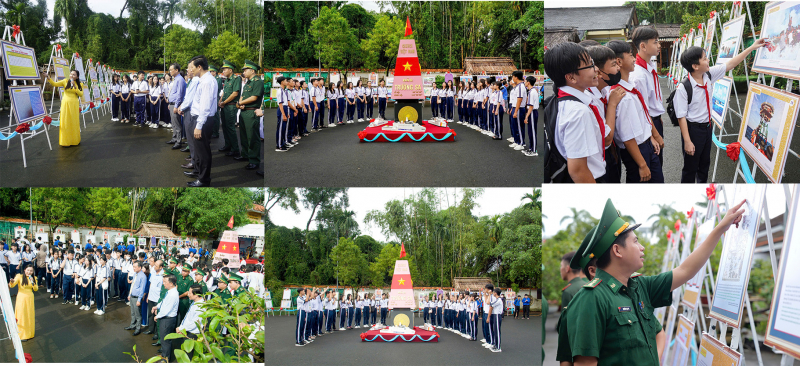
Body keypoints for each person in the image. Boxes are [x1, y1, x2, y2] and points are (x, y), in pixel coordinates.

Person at [563, 198, 745, 365]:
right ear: (618, 251)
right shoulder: (591, 298)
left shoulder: (639, 287)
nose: (641, 247)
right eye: (635, 242)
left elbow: (685, 270)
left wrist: (721, 227)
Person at [675, 40, 766, 183]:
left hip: (707, 128)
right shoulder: (683, 88)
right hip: (693, 130)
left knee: (704, 166)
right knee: (690, 168)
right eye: (704, 58)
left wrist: (752, 47)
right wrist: (687, 141)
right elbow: (681, 116)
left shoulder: (709, 75)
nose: (708, 60)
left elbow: (731, 64)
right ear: (695, 66)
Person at [543, 42, 606, 183]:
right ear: (571, 77)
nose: (596, 69)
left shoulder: (560, 100)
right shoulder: (578, 112)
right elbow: (578, 170)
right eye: (590, 65)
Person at [606, 40, 664, 183]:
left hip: (646, 145)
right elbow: (627, 137)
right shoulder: (621, 95)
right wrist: (642, 164)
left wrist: (651, 136)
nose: (634, 59)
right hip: (637, 152)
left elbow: (641, 117)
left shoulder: (630, 86)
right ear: (619, 61)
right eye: (631, 55)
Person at [184, 55, 219, 187]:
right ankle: (198, 172)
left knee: (203, 152)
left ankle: (204, 180)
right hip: (198, 119)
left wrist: (198, 125)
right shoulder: (203, 80)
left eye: (192, 67)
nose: (190, 70)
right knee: (199, 150)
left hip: (202, 120)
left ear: (199, 67)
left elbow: (205, 106)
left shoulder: (207, 82)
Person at [236, 60, 264, 171]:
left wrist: (240, 103)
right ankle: (245, 155)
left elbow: (254, 97)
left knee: (252, 137)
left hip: (251, 112)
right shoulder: (248, 82)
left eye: (245, 70)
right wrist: (239, 104)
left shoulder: (257, 82)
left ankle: (254, 160)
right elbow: (242, 96)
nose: (244, 71)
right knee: (243, 135)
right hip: (244, 111)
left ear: (252, 71)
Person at [46, 70, 84, 146]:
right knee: (65, 121)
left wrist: (75, 86)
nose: (72, 75)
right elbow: (55, 84)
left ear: (77, 77)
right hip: (66, 103)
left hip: (74, 104)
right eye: (71, 74)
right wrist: (48, 77)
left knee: (73, 121)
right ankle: (65, 141)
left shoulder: (80, 84)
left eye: (74, 75)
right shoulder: (65, 81)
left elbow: (81, 94)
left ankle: (74, 140)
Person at [176, 284, 205, 359]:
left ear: (196, 295)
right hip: (187, 330)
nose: (188, 294)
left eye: (189, 293)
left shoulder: (200, 307)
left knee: (189, 355)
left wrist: (181, 328)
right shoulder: (195, 302)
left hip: (192, 333)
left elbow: (194, 323)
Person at [9, 265, 37, 341]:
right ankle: (21, 334)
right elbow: (12, 285)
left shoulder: (34, 278)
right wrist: (11, 282)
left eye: (31, 271)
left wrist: (33, 282)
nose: (29, 272)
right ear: (24, 270)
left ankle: (30, 333)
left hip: (30, 298)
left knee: (29, 315)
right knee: (22, 315)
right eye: (28, 270)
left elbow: (36, 288)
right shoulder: (19, 276)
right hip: (21, 298)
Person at [155, 274, 180, 360]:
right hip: (166, 319)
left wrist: (157, 316)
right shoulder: (169, 292)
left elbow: (167, 309)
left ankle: (166, 359)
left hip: (167, 319)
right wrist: (157, 306)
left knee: (165, 340)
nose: (163, 284)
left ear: (171, 283)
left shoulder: (172, 295)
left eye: (165, 282)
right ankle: (164, 355)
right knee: (163, 339)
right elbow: (163, 303)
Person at [167, 63, 187, 150]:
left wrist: (175, 106)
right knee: (173, 122)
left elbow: (179, 95)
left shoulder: (180, 80)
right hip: (172, 103)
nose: (170, 71)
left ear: (176, 70)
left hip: (176, 104)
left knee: (177, 123)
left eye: (171, 70)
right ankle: (174, 138)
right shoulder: (176, 79)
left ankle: (178, 141)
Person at [126, 260, 147, 335]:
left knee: (138, 314)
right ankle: (132, 325)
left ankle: (138, 329)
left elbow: (142, 289)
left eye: (135, 267)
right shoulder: (135, 274)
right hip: (132, 296)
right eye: (133, 266)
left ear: (140, 267)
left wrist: (139, 300)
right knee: (132, 312)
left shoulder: (143, 276)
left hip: (137, 297)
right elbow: (133, 285)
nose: (133, 268)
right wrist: (129, 294)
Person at [523, 76, 540, 157]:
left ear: (528, 82)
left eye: (525, 81)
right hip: (532, 112)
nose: (524, 82)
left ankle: (534, 150)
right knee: (530, 131)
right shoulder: (531, 91)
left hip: (532, 112)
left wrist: (526, 116)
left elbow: (531, 106)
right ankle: (531, 148)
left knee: (532, 131)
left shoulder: (532, 92)